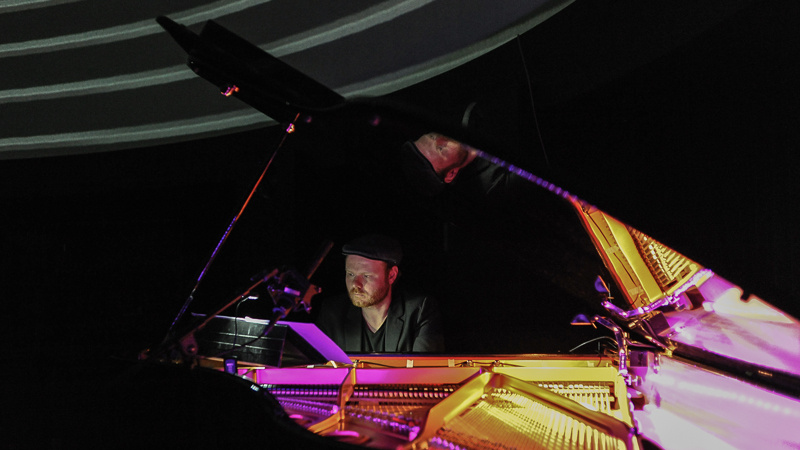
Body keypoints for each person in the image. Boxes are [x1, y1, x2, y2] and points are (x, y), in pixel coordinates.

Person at [315, 234, 445, 353]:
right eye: (350, 274)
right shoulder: (333, 311)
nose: (356, 284)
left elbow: (425, 372)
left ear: (391, 275)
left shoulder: (419, 310)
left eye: (366, 276)